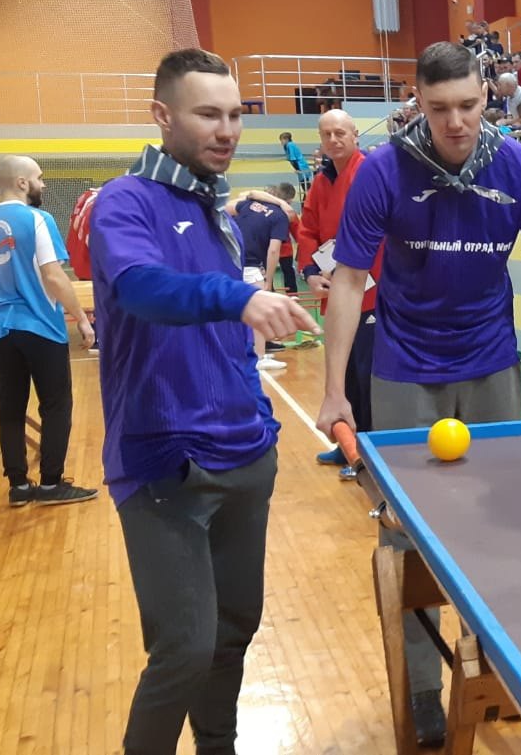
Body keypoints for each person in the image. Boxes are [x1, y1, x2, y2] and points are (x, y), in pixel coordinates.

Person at [315, 41, 521, 747]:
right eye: (439, 107)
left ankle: (495, 670)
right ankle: (422, 688)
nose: (455, 122)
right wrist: (334, 392)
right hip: (404, 368)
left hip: (491, 364)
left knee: (504, 527)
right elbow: (348, 282)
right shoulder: (383, 172)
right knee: (406, 536)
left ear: (487, 97)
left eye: (468, 105)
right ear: (417, 101)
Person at [89, 48, 319, 755]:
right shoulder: (125, 201)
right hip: (163, 462)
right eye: (208, 115)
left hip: (245, 454)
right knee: (183, 649)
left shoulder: (218, 208)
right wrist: (238, 297)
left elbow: (224, 336)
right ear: (162, 116)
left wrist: (259, 415)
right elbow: (141, 287)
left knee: (232, 631)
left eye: (235, 115)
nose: (227, 131)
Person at [0, 154, 99, 507]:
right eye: (39, 178)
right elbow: (53, 276)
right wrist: (82, 318)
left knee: (11, 406)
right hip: (40, 325)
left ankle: (18, 486)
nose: (44, 183)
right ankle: (52, 484)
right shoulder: (38, 219)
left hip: (1, 329)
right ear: (22, 182)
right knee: (55, 404)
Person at [296, 109, 384, 481]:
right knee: (341, 370)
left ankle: (369, 450)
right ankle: (345, 439)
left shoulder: (369, 172)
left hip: (370, 291)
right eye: (326, 134)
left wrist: (351, 270)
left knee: (366, 373)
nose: (333, 140)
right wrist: (311, 273)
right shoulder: (321, 181)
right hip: (334, 292)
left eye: (340, 133)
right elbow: (307, 229)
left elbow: (380, 232)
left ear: (355, 135)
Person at [228, 188, 290, 370]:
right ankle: (260, 357)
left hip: (232, 262)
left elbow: (227, 207)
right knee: (259, 313)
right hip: (252, 265)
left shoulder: (248, 204)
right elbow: (273, 250)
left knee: (237, 310)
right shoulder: (280, 216)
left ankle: (245, 351)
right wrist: (268, 281)